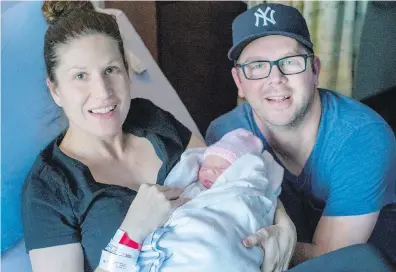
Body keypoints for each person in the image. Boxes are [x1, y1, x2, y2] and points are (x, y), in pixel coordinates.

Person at [21, 2, 296, 272]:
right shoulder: (50, 189)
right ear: (55, 89)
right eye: (80, 76)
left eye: (111, 70)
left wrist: (284, 224)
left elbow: (228, 172)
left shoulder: (150, 118)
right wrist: (132, 232)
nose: (103, 92)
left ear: (127, 71)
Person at [205, 2, 396, 270]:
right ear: (239, 82)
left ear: (315, 70)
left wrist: (240, 248)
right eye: (257, 66)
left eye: (290, 62)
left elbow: (331, 256)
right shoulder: (224, 136)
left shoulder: (363, 138)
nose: (276, 78)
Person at [129, 128, 283, 272]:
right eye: (206, 166)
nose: (209, 172)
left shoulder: (239, 193)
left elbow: (249, 214)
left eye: (221, 169)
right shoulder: (192, 188)